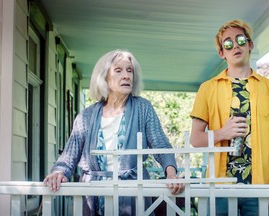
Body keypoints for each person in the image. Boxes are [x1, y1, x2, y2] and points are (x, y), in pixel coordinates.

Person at [44, 49, 184, 215]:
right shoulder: (86, 116)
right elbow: (69, 156)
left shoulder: (143, 108)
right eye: (118, 70)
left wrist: (171, 173)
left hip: (133, 194)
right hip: (94, 194)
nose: (126, 76)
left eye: (129, 70)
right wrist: (59, 172)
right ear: (104, 78)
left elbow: (161, 145)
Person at [190, 19, 269, 215]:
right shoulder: (207, 89)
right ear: (221, 53)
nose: (235, 45)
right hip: (220, 187)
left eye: (240, 40)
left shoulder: (267, 88)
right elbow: (195, 139)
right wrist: (221, 133)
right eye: (227, 43)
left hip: (261, 186)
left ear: (250, 45)